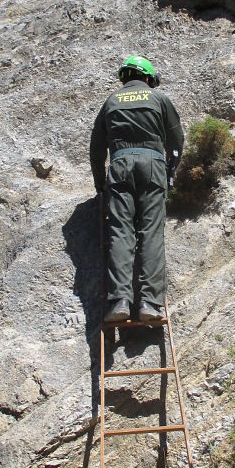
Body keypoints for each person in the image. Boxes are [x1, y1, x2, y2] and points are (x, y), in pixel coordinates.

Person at [90, 55, 184, 324]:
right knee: (151, 232)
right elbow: (177, 140)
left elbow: (96, 150)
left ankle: (119, 300)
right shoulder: (159, 98)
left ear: (125, 77)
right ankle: (148, 303)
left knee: (121, 231)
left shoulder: (111, 102)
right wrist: (170, 170)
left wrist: (100, 185)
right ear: (147, 78)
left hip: (119, 168)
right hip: (153, 167)